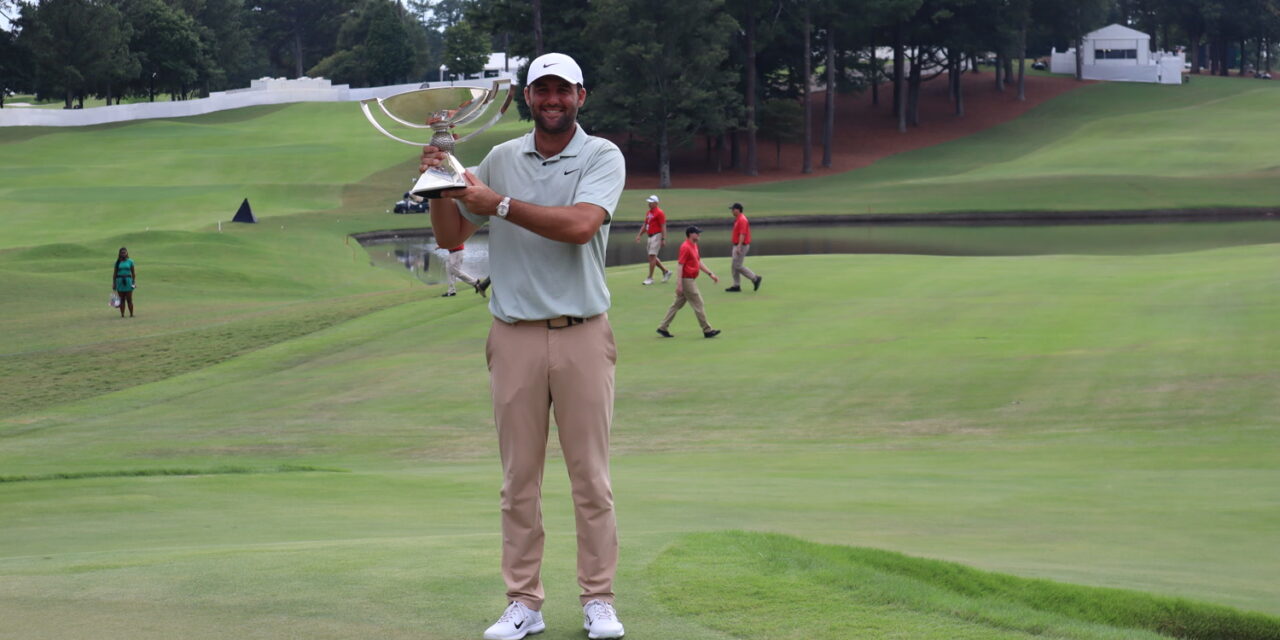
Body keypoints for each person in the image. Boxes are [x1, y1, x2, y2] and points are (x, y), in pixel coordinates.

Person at [419, 52, 626, 640]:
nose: (552, 100)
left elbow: (581, 226)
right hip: (512, 336)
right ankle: (524, 603)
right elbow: (452, 235)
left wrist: (501, 205)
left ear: (581, 96)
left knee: (591, 479)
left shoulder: (601, 155)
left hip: (582, 332)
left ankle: (599, 600)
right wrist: (440, 180)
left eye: (563, 90)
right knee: (519, 481)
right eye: (542, 91)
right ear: (528, 97)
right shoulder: (501, 158)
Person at [656, 226, 721, 339]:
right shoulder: (685, 247)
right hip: (687, 280)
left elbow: (698, 262)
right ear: (691, 234)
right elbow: (680, 265)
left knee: (677, 305)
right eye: (697, 233)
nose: (699, 235)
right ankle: (707, 330)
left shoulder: (694, 245)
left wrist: (710, 274)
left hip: (690, 279)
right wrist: (679, 284)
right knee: (698, 303)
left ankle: (663, 327)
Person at [634, 194, 671, 285]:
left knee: (652, 256)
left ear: (656, 203)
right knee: (651, 257)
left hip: (657, 235)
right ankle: (666, 271)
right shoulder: (648, 213)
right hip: (650, 236)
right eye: (649, 202)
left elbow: (663, 226)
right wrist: (639, 235)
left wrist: (663, 238)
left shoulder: (660, 213)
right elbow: (645, 225)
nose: (649, 204)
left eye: (651, 202)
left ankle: (650, 278)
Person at [725, 202, 762, 292]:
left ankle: (755, 278)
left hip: (741, 245)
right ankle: (736, 286)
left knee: (737, 265)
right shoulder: (738, 219)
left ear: (738, 210)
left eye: (733, 209)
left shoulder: (742, 220)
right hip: (737, 245)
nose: (732, 211)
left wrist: (739, 246)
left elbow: (743, 234)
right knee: (734, 266)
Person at [112, 247, 137, 318]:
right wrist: (114, 283)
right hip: (119, 281)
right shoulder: (117, 262)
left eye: (124, 252)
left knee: (129, 299)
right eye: (122, 253)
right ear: (119, 254)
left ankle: (131, 314)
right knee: (121, 299)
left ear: (127, 253)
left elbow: (133, 273)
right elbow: (114, 274)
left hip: (128, 281)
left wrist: (133, 282)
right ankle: (122, 315)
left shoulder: (130, 261)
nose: (123, 254)